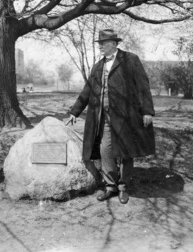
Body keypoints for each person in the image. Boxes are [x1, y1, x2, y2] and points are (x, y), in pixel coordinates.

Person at [66, 29, 155, 204]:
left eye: (103, 43)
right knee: (105, 150)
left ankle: (123, 187)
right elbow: (87, 91)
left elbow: (143, 86)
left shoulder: (130, 60)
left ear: (114, 44)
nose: (100, 46)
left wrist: (147, 111)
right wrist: (74, 111)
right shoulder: (98, 66)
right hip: (103, 117)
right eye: (99, 43)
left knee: (125, 152)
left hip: (126, 117)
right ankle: (110, 186)